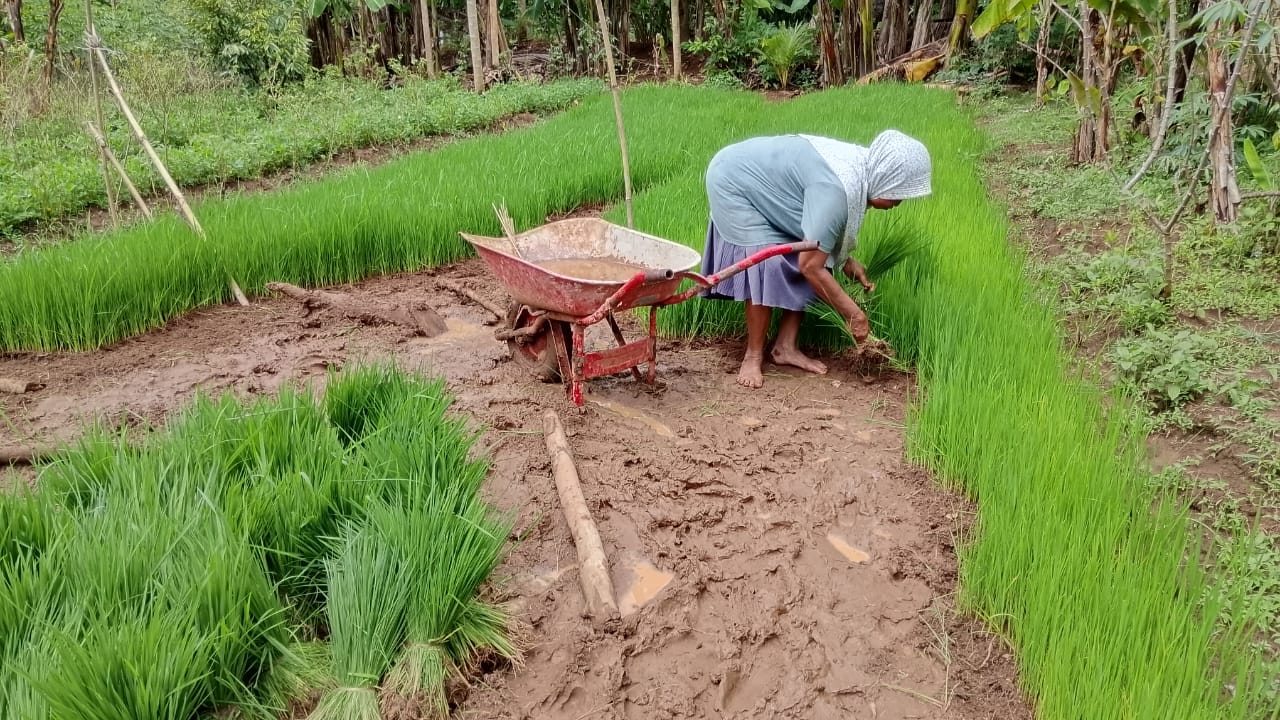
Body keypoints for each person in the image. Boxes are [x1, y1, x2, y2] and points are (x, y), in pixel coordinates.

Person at [700, 130, 932, 389]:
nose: (899, 202)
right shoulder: (837, 188)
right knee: (767, 265)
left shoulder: (859, 171)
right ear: (885, 176)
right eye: (898, 193)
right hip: (734, 181)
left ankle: (785, 347)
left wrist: (844, 260)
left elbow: (821, 238)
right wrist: (855, 316)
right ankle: (753, 356)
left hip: (771, 188)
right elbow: (811, 266)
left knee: (812, 258)